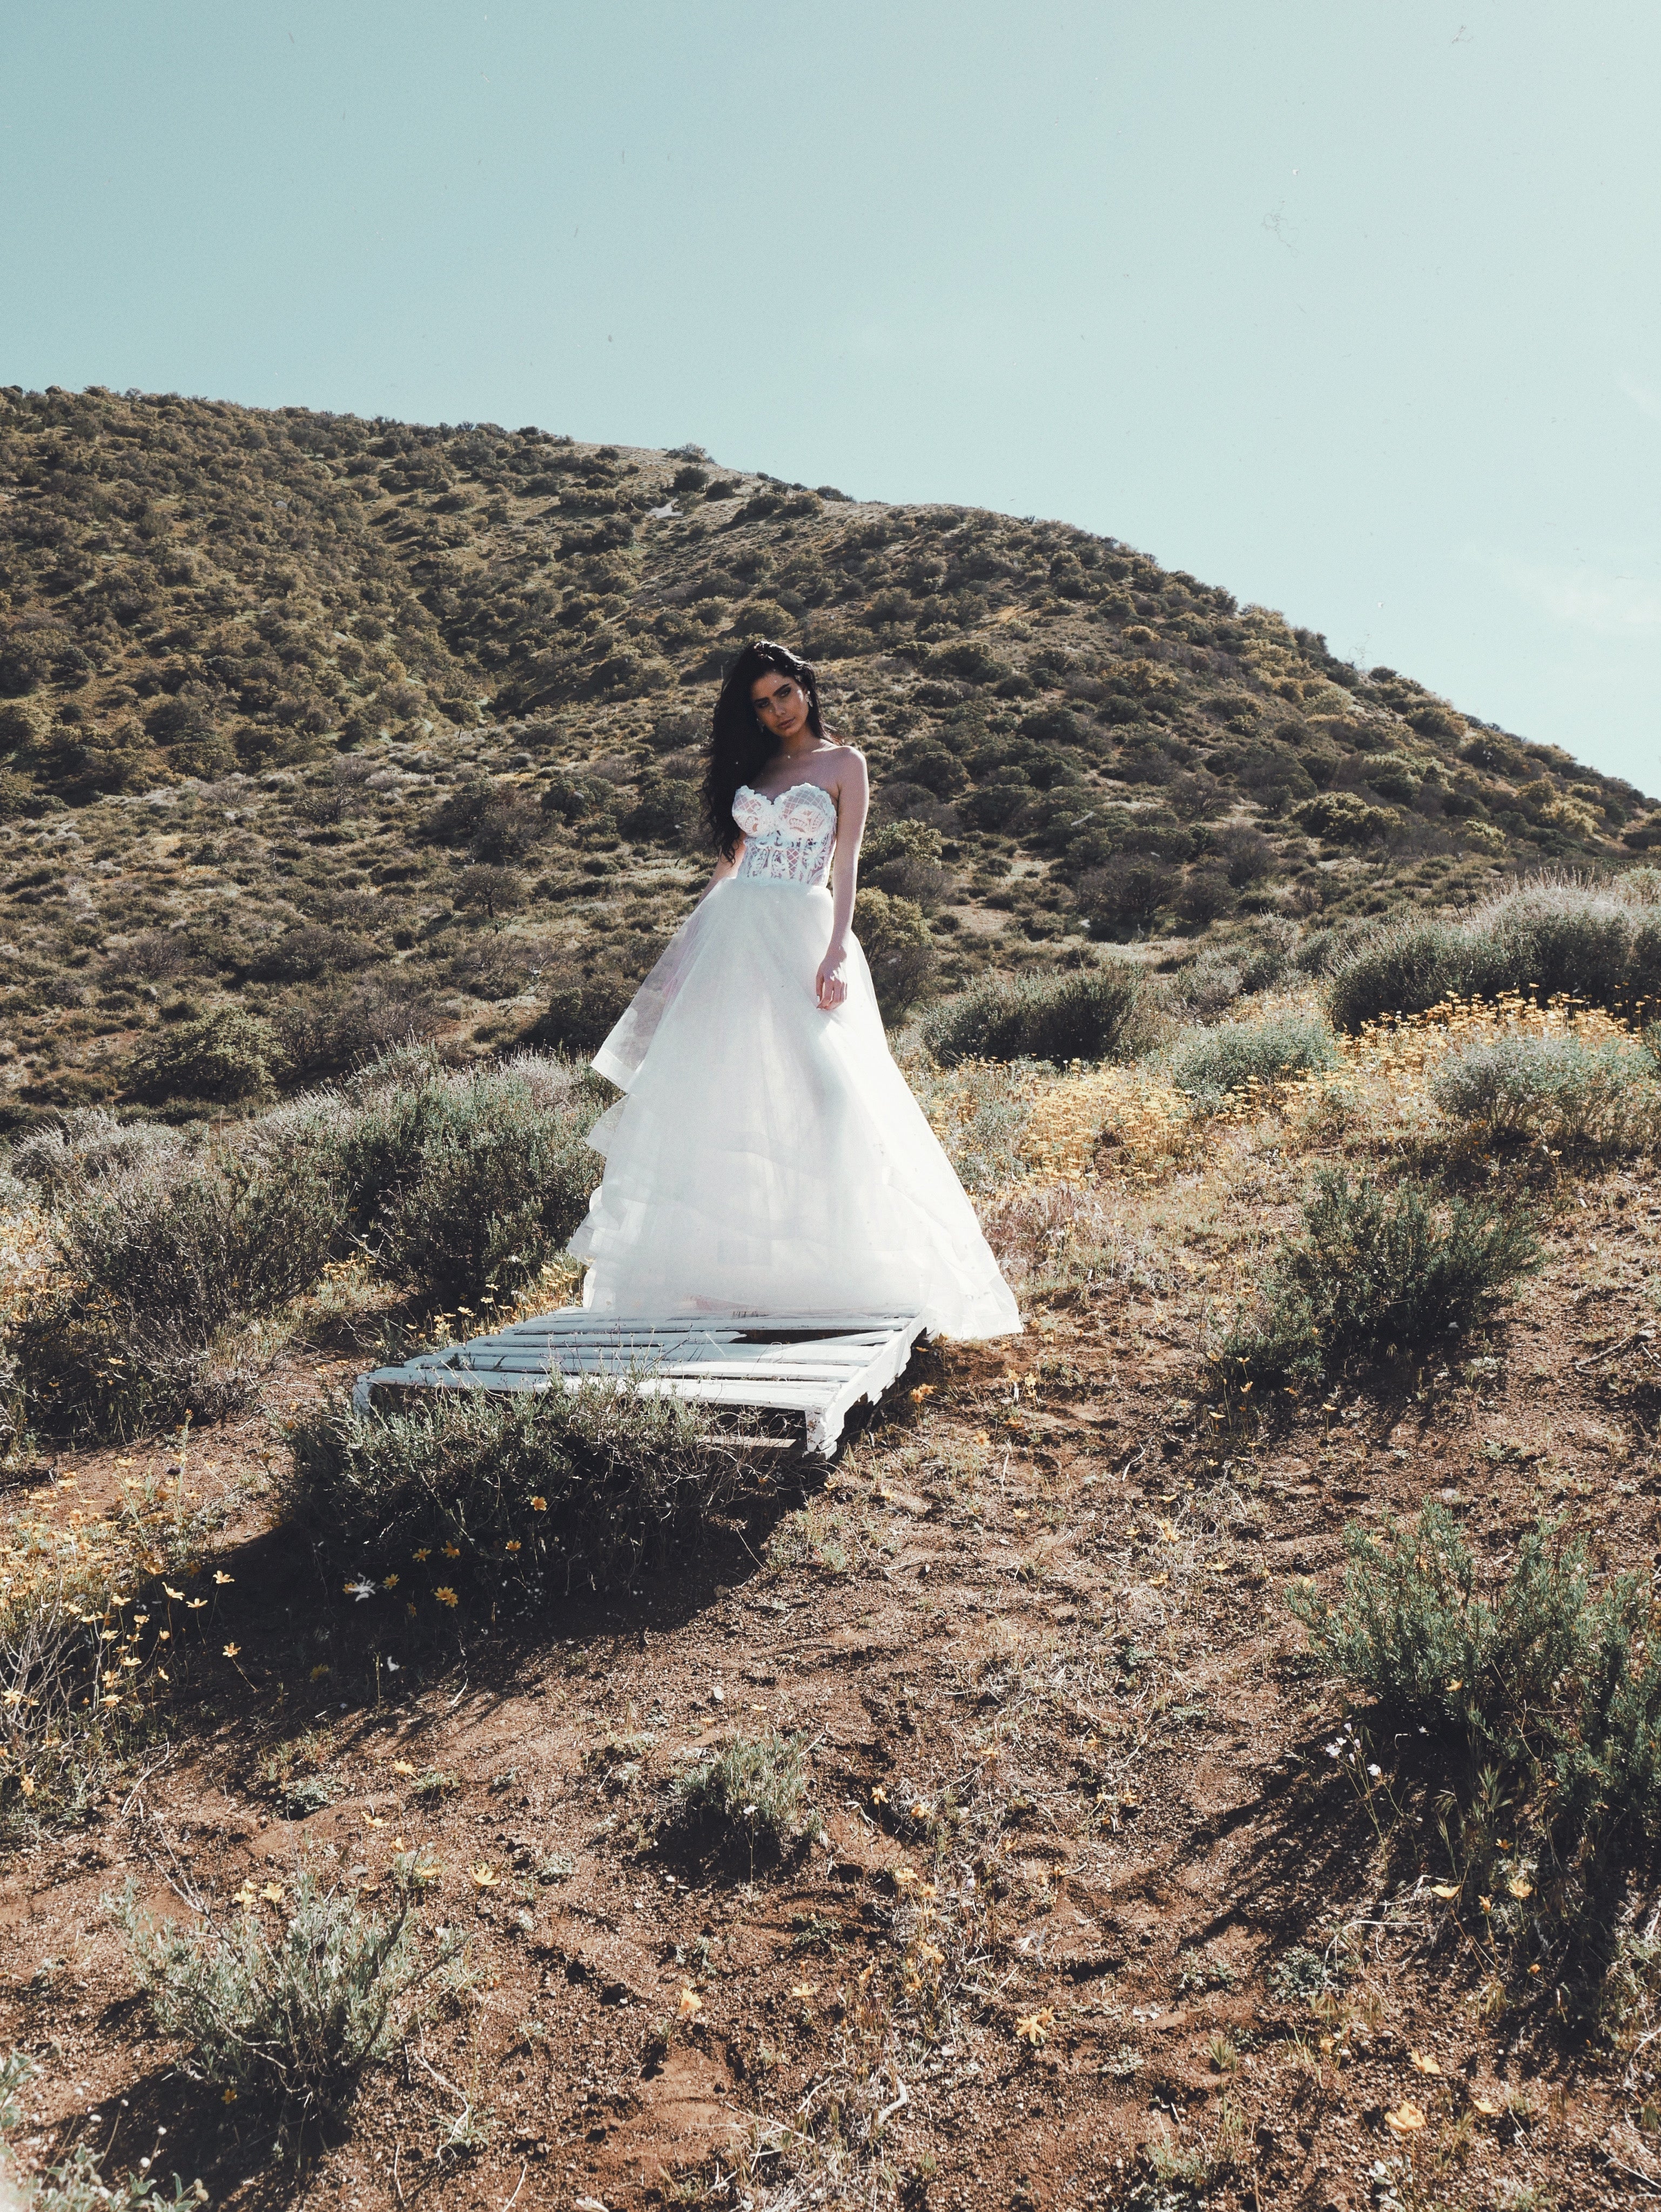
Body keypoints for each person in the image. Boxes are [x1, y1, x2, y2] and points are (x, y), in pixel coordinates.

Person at [566, 639, 1021, 1338]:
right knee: (725, 1098)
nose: (777, 710)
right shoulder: (756, 768)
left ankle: (841, 1265)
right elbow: (728, 866)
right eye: (762, 702)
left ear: (806, 687)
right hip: (734, 935)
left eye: (784, 693)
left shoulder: (845, 765)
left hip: (804, 934)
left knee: (830, 1092)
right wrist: (687, 948)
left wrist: (837, 951)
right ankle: (722, 1277)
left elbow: (848, 866)